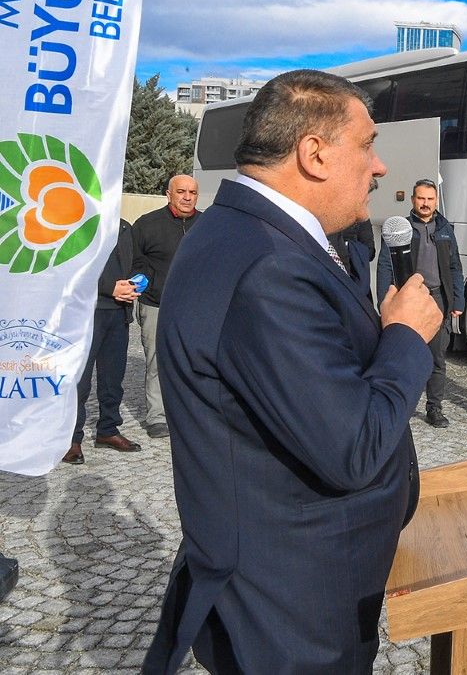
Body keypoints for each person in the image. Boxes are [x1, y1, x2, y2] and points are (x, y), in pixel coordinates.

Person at [143, 69, 442, 674]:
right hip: (292, 600)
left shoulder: (248, 234)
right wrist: (406, 338)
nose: (380, 166)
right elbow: (353, 445)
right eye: (367, 145)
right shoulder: (267, 264)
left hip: (294, 579)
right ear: (314, 154)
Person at [376, 179, 465, 428]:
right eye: (421, 198)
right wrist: (385, 300)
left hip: (438, 299)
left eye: (430, 199)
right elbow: (385, 265)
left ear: (436, 201)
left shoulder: (446, 229)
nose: (425, 204)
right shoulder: (401, 229)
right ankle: (401, 408)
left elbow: (455, 266)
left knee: (437, 358)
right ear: (413, 200)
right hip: (410, 299)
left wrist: (458, 300)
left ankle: (434, 409)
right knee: (406, 356)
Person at [64, 219, 142, 465]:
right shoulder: (79, 223)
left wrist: (136, 281)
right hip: (86, 315)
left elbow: (137, 261)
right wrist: (110, 288)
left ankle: (108, 430)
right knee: (80, 382)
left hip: (119, 314)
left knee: (112, 379)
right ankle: (71, 439)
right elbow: (69, 268)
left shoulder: (124, 227)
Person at [132, 174, 201, 438]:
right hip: (156, 305)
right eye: (181, 191)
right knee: (157, 362)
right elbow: (135, 261)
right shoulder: (147, 225)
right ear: (168, 194)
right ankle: (157, 417)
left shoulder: (207, 224)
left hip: (195, 309)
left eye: (192, 192)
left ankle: (190, 414)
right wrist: (145, 285)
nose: (187, 197)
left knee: (194, 362)